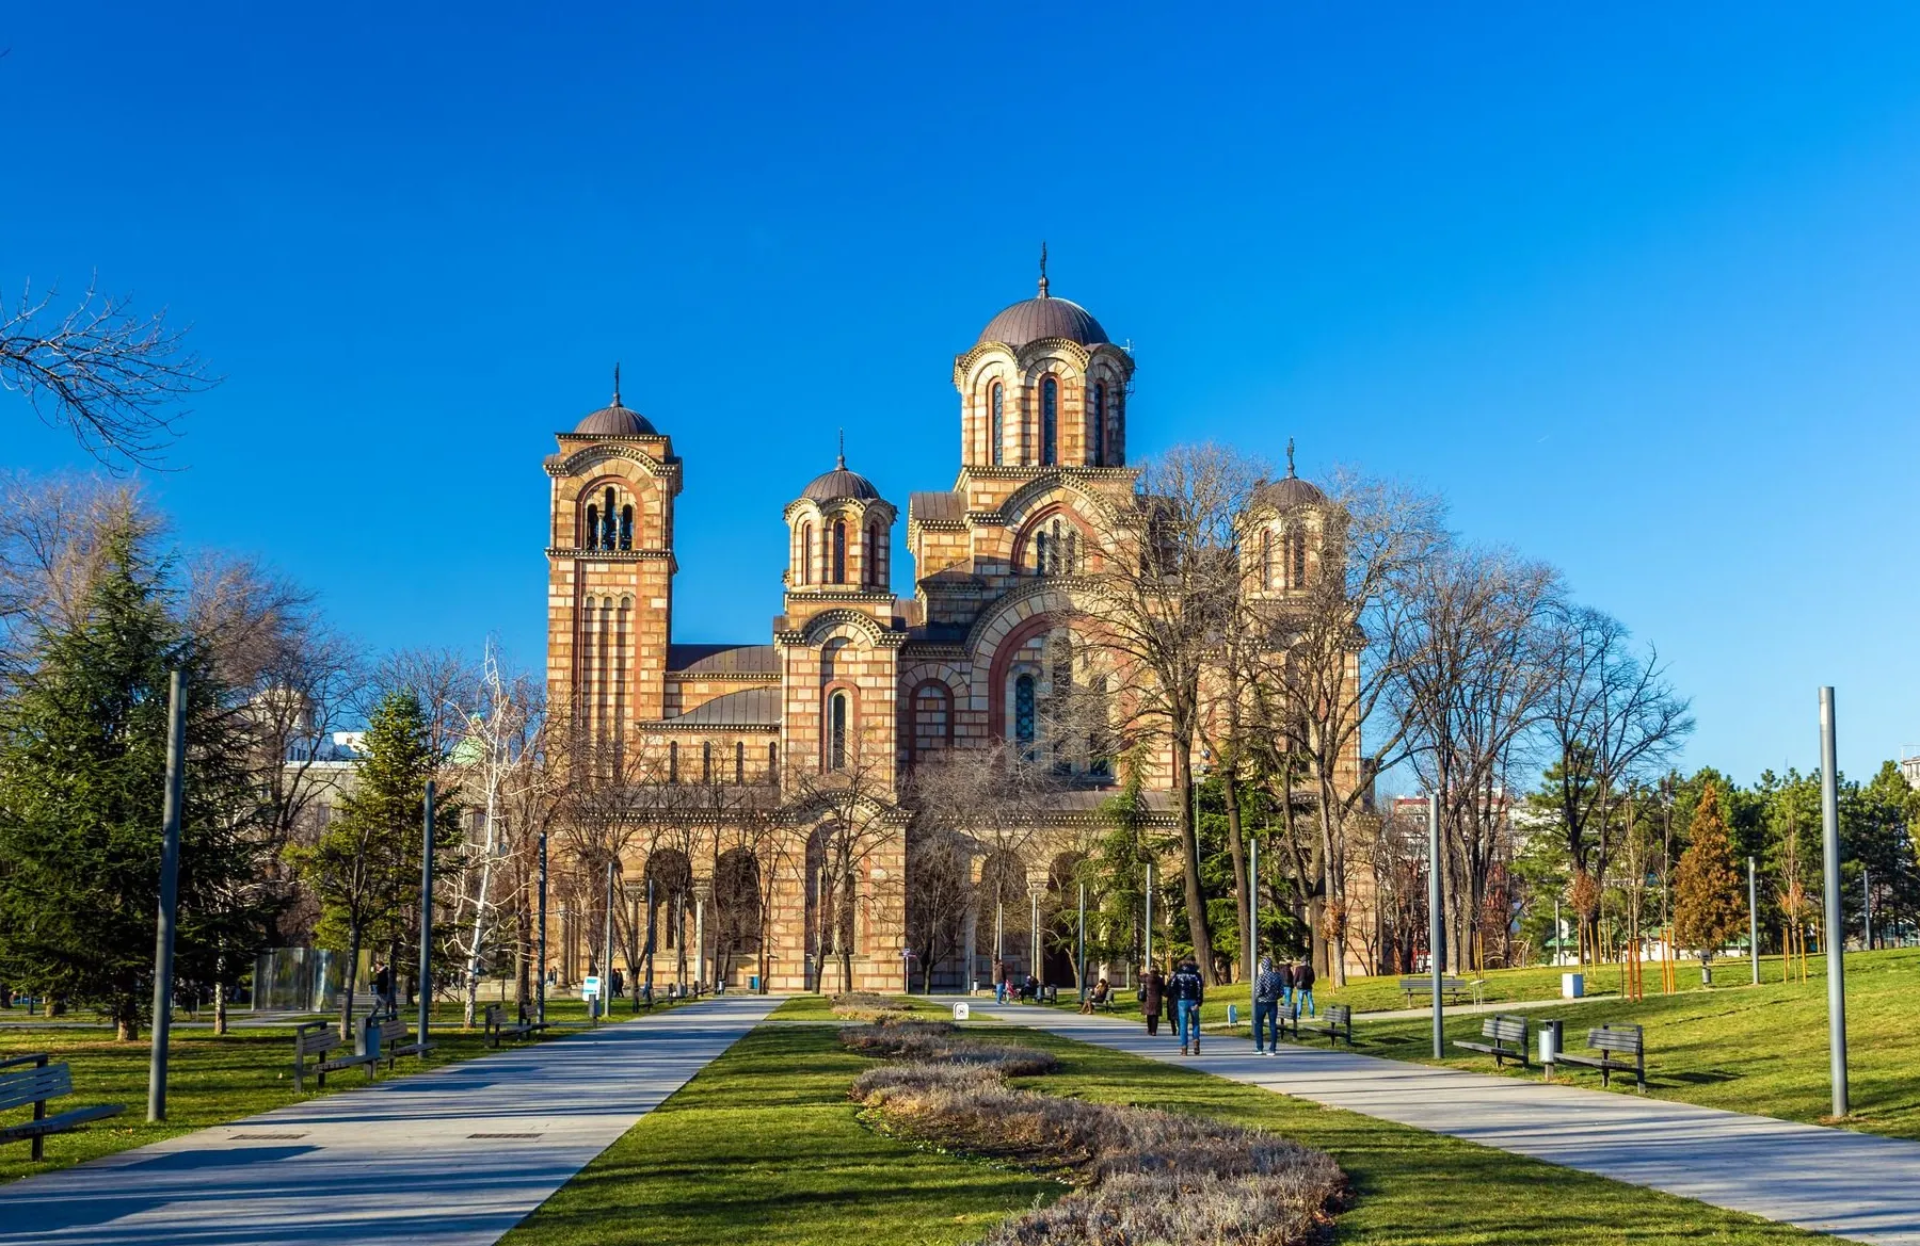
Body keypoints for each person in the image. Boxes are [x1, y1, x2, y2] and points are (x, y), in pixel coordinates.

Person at [1168, 958, 1205, 1055]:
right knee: (1195, 1022)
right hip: (1193, 1001)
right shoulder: (1196, 975)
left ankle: (1184, 1047)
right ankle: (1196, 1042)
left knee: (1183, 1024)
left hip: (1182, 1001)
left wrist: (1178, 993)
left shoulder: (1178, 974)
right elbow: (1199, 989)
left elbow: (1171, 986)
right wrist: (1199, 1002)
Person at [1251, 956, 1284, 1055]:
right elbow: (1282, 992)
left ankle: (1259, 1047)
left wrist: (1257, 997)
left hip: (1261, 1003)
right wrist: (1275, 997)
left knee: (1258, 1024)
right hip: (1273, 1003)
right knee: (1273, 1025)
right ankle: (1272, 1049)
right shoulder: (1277, 976)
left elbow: (1258, 991)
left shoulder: (1261, 977)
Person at [1140, 964, 1166, 1036]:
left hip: (1148, 1000)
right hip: (1157, 999)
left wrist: (1144, 972)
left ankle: (1149, 1030)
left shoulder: (1147, 978)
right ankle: (1154, 1031)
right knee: (1155, 1016)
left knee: (1149, 1015)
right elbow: (1163, 989)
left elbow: (1140, 978)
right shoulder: (1160, 979)